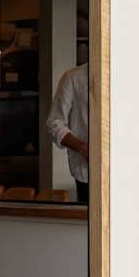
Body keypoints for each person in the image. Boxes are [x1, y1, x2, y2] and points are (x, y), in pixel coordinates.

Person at [46, 58, 91, 204]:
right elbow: (54, 123)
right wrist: (83, 148)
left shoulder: (132, 76)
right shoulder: (74, 77)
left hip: (129, 173)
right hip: (86, 172)